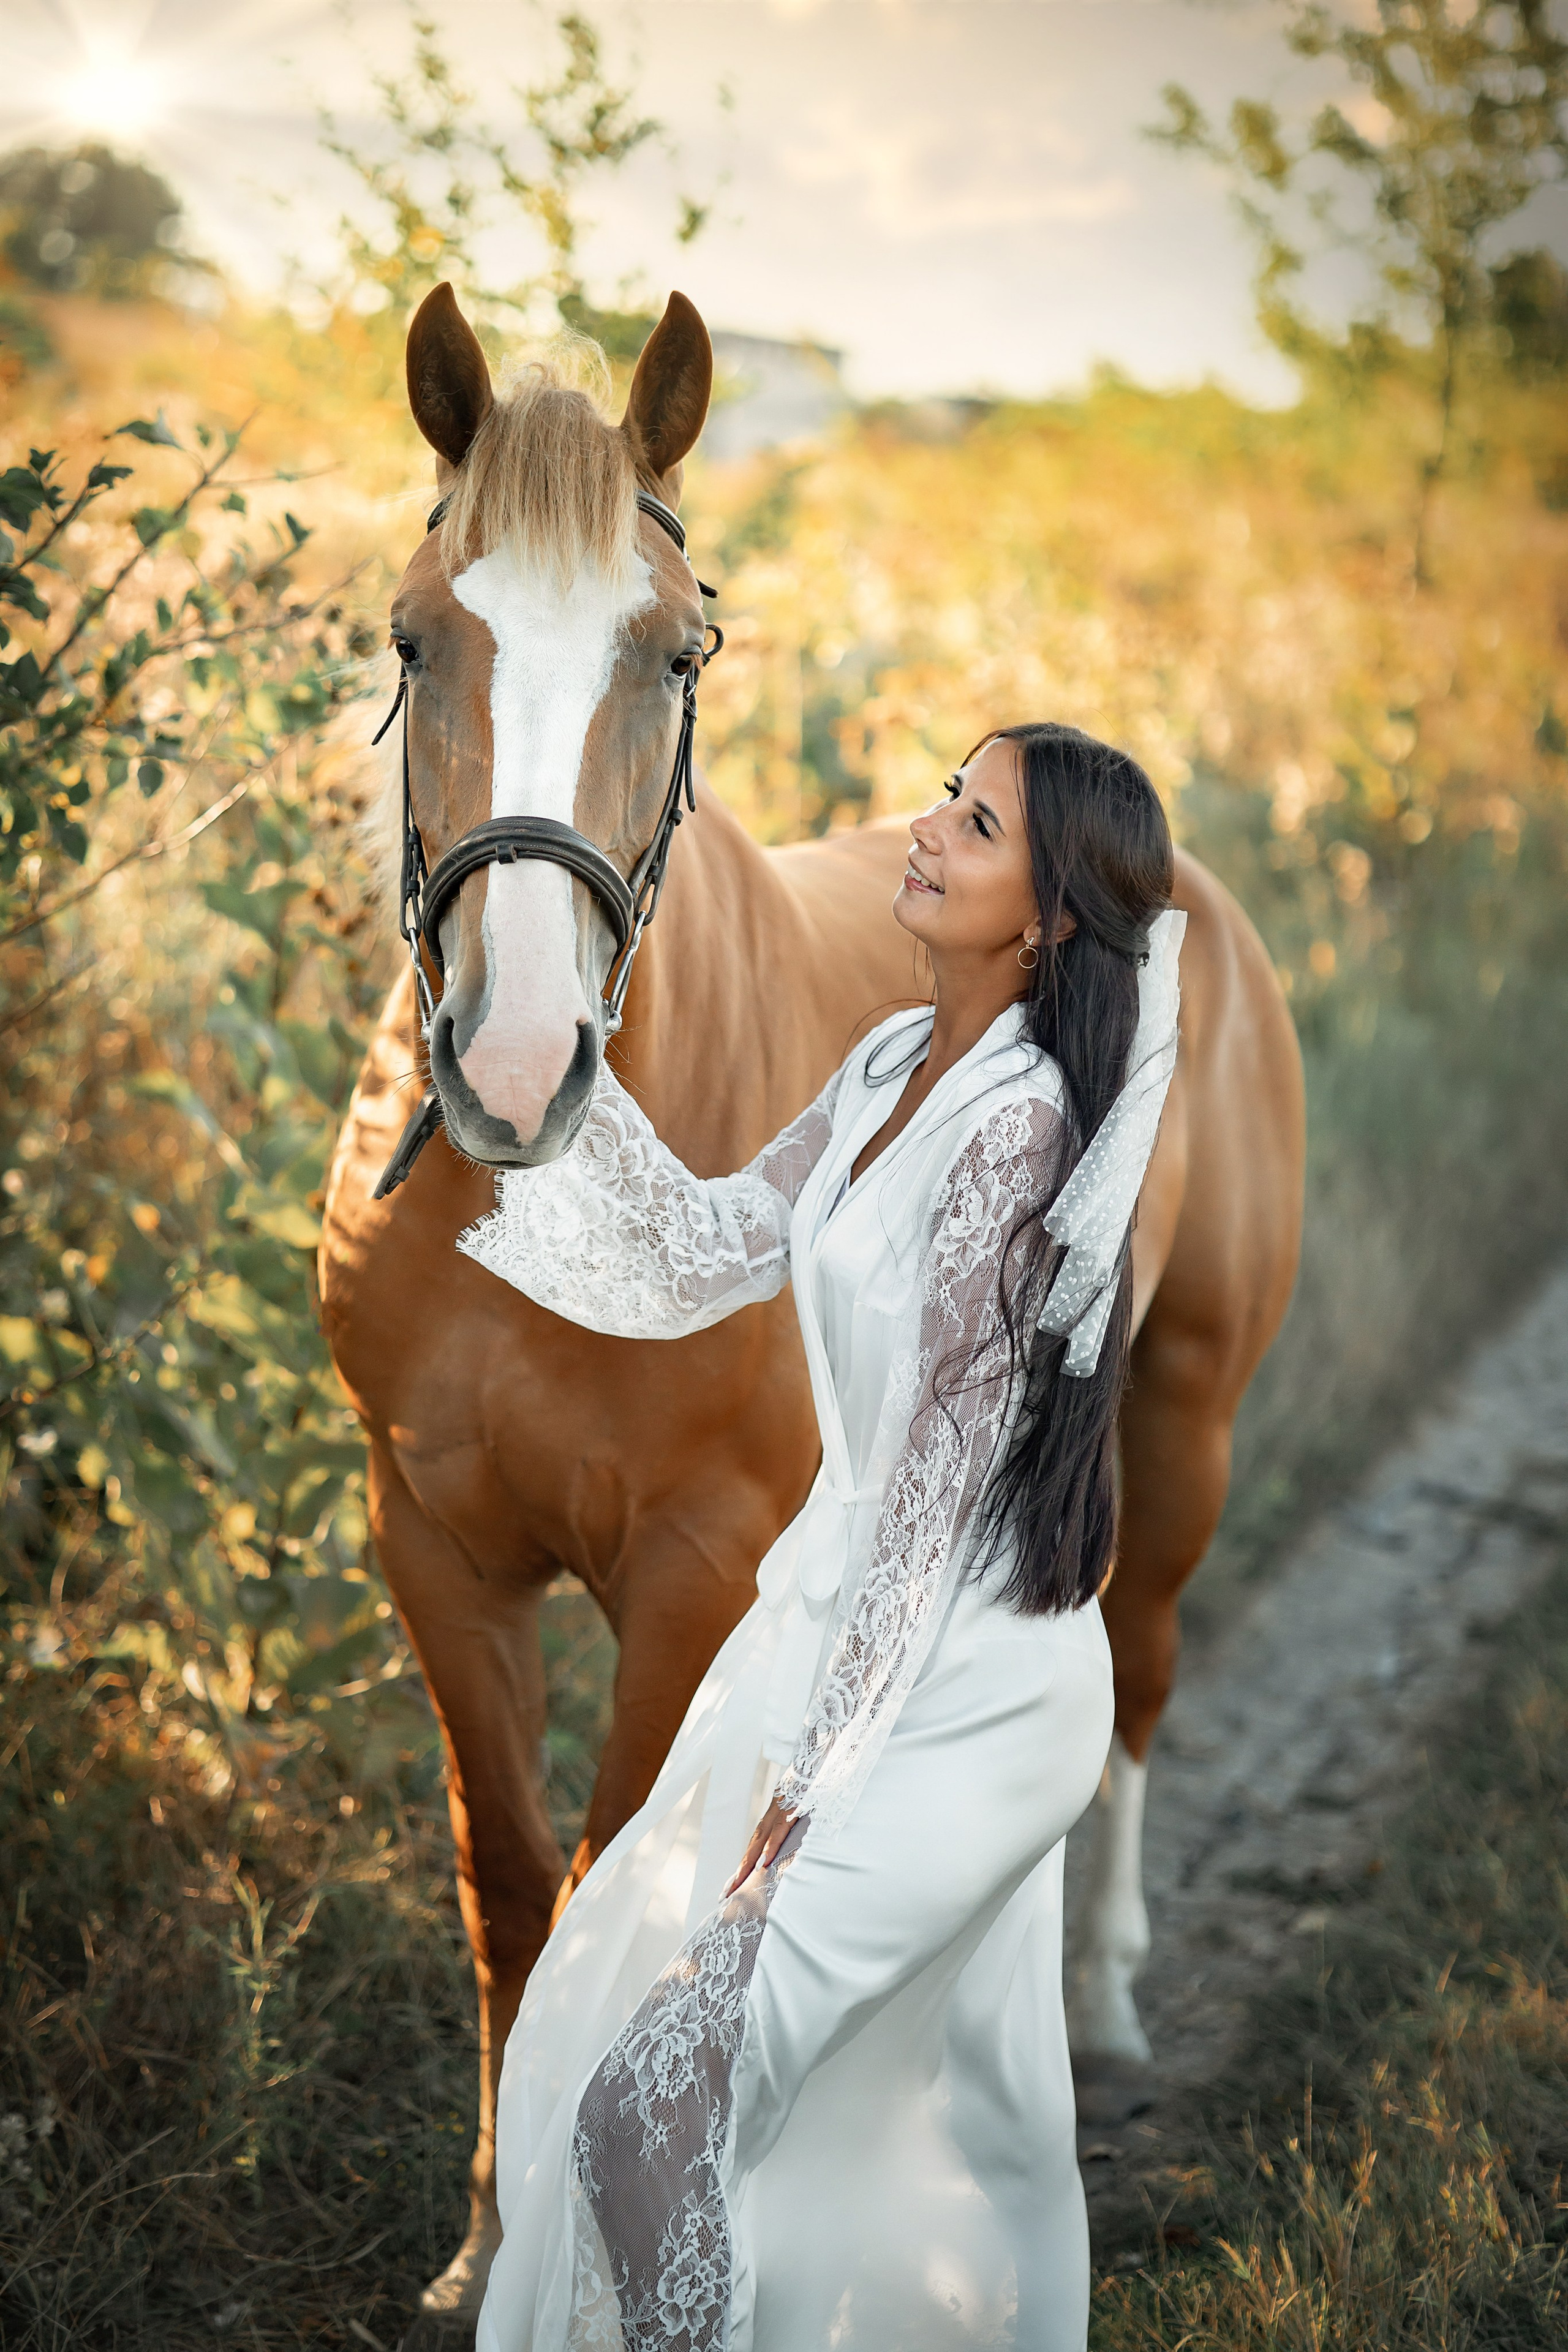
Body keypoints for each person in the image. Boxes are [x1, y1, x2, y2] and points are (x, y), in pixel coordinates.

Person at [461, 722, 1184, 2352]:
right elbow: (706, 1247)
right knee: (764, 2116)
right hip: (828, 1636)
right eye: (948, 794)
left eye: (976, 824)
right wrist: (559, 1060)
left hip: (959, 1688)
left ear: (1049, 916)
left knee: (648, 2112)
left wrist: (809, 1793)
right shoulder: (886, 1063)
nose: (923, 828)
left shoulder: (1018, 1134)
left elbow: (928, 1507)